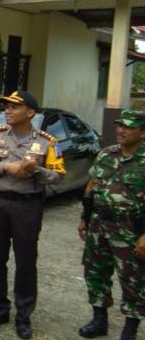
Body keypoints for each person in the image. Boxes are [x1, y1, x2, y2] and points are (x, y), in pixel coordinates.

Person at [0, 90, 65, 339]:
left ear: (30, 112)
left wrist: (36, 170)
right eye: (6, 106)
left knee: (26, 261)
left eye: (15, 107)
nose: (8, 110)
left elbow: (58, 176)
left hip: (27, 205)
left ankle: (23, 315)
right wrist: (6, 166)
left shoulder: (47, 141)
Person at [77, 109, 145, 340]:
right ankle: (99, 319)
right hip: (99, 225)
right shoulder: (107, 154)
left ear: (142, 133)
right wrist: (84, 218)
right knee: (95, 272)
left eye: (128, 126)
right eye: (119, 125)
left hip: (131, 230)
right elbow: (92, 185)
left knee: (133, 279)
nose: (120, 130)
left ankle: (131, 327)